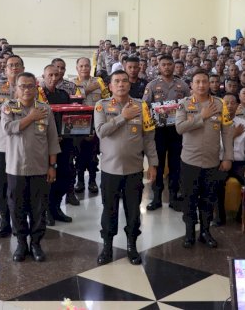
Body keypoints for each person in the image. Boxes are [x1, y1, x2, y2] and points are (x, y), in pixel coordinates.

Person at [93, 70, 157, 265]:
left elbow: (148, 138)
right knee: (109, 209)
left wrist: (153, 164)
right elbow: (101, 132)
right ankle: (107, 246)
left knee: (133, 210)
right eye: (116, 81)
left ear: (129, 85)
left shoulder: (141, 106)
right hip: (110, 170)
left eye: (124, 81)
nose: (121, 84)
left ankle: (132, 245)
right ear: (110, 86)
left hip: (134, 169)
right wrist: (123, 116)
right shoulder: (101, 106)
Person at [1, 72, 60, 262]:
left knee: (38, 208)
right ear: (16, 89)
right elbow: (8, 129)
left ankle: (36, 243)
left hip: (40, 168)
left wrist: (52, 165)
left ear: (36, 88)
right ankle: (21, 243)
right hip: (15, 168)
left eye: (30, 86)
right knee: (17, 207)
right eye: (22, 86)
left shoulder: (45, 109)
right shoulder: (8, 107)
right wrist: (31, 118)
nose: (26, 90)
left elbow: (52, 140)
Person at [175, 71, 234, 248]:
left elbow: (227, 132)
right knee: (189, 198)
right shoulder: (184, 104)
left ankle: (205, 232)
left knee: (209, 199)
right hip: (189, 161)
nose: (201, 85)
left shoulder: (219, 104)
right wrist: (202, 116)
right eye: (197, 82)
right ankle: (189, 232)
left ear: (210, 84)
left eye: (204, 82)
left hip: (212, 162)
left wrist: (227, 157)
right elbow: (180, 128)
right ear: (191, 85)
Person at [143, 55, 190, 211]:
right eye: (164, 64)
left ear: (174, 66)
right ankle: (156, 197)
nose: (167, 67)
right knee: (158, 163)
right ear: (159, 66)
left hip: (177, 130)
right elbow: (145, 107)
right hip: (159, 131)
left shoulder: (182, 85)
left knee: (176, 164)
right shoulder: (152, 85)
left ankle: (173, 196)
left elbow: (189, 105)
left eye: (170, 64)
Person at [0, 54, 24, 238]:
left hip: (23, 144)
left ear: (22, 68)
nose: (14, 68)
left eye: (17, 65)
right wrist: (10, 104)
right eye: (10, 66)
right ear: (5, 69)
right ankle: (4, 221)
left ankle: (20, 223)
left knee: (20, 186)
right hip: (2, 144)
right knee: (3, 185)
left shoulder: (31, 87)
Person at [38, 65, 73, 225]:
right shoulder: (38, 96)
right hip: (44, 144)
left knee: (64, 175)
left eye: (56, 75)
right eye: (50, 75)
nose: (53, 78)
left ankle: (56, 208)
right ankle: (45, 211)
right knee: (47, 179)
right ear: (43, 76)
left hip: (64, 142)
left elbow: (70, 118)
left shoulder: (64, 95)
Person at [215, 93, 245, 225]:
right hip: (220, 160)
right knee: (217, 181)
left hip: (239, 162)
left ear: (238, 106)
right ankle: (219, 217)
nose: (229, 105)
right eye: (226, 103)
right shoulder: (215, 122)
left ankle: (242, 216)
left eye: (233, 103)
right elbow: (216, 146)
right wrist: (232, 135)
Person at [73, 57, 110, 195]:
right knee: (80, 153)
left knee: (94, 153)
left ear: (91, 67)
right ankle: (80, 181)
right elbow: (74, 99)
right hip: (78, 124)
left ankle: (93, 181)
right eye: (81, 66)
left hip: (96, 122)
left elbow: (106, 98)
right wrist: (87, 90)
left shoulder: (98, 81)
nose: (84, 68)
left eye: (87, 66)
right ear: (77, 68)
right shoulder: (72, 83)